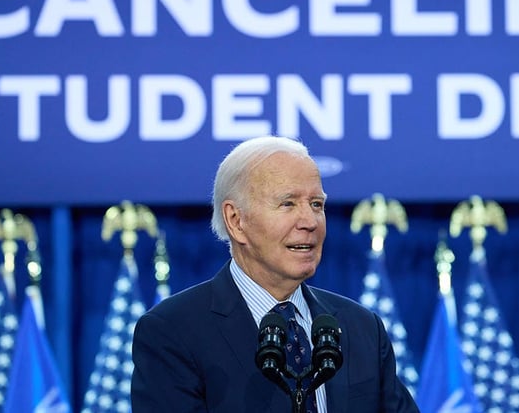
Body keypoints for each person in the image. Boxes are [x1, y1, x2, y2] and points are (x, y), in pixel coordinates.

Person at [131, 135, 419, 413]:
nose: (309, 221)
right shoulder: (172, 331)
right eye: (288, 204)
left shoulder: (362, 328)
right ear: (236, 220)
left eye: (317, 204)